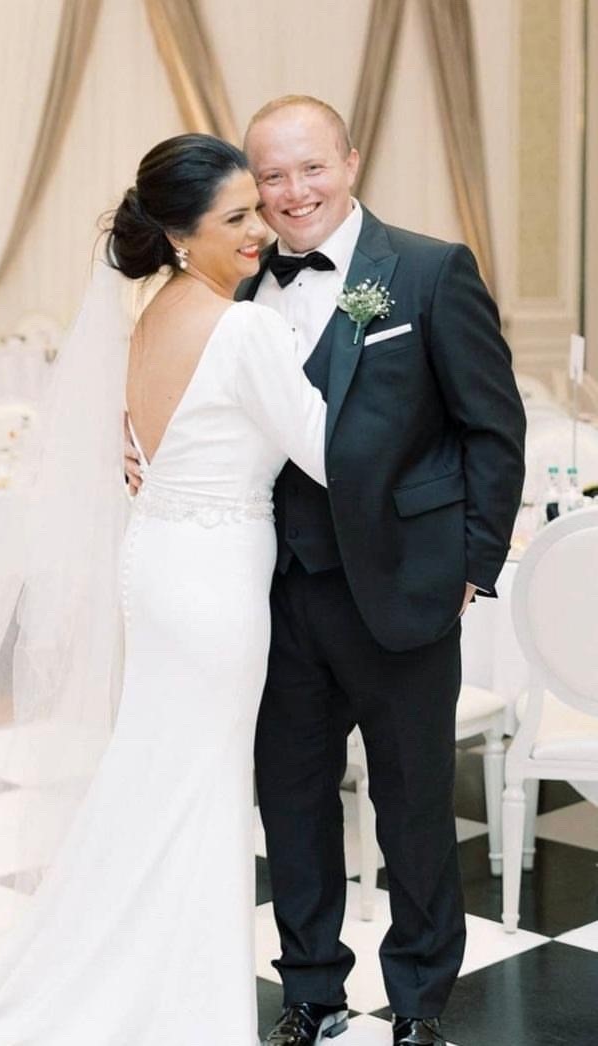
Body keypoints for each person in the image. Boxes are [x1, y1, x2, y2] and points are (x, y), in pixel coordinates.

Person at [0, 134, 331, 1046]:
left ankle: (153, 976)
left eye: (254, 211)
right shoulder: (242, 325)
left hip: (160, 567)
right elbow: (322, 450)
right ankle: (179, 1004)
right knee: (194, 781)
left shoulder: (156, 312)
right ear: (180, 234)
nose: (259, 229)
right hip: (212, 579)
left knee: (163, 772)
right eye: (234, 218)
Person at [240, 97, 525, 1046]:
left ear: (350, 162)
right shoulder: (239, 290)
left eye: (309, 168)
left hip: (404, 587)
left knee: (411, 808)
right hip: (275, 596)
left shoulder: (430, 271)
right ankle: (310, 990)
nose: (291, 193)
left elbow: (493, 427)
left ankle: (415, 1003)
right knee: (291, 804)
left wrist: (471, 564)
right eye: (272, 176)